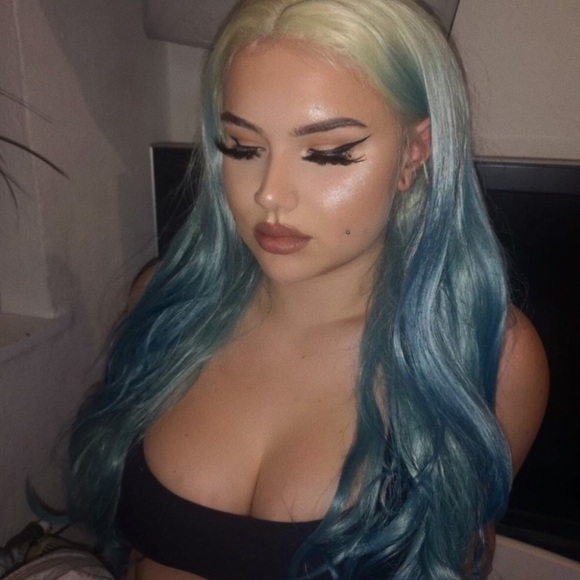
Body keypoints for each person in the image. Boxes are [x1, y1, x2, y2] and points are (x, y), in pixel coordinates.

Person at [66, 0, 549, 578]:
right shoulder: (165, 304)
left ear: (414, 152)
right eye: (243, 147)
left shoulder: (489, 355)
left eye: (327, 154)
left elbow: (459, 555)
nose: (270, 194)